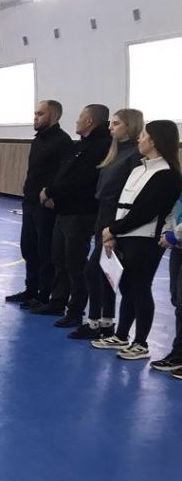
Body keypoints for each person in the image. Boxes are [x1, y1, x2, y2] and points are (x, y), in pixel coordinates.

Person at [92, 121, 182, 360]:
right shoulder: (138, 169)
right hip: (124, 236)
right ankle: (121, 335)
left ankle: (141, 343)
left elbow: (145, 211)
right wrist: (113, 233)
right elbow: (122, 205)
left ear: (154, 140)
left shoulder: (167, 175)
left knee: (140, 288)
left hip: (145, 239)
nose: (139, 140)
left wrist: (114, 230)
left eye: (143, 135)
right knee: (126, 287)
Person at [33, 104, 113, 325]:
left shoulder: (100, 146)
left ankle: (76, 309)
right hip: (64, 209)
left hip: (81, 212)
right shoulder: (81, 145)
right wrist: (52, 193)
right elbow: (63, 173)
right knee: (59, 258)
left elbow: (80, 179)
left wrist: (51, 192)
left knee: (75, 262)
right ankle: (58, 301)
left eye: (80, 117)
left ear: (89, 121)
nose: (76, 121)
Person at [69, 109, 143, 340]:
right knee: (103, 272)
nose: (111, 127)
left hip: (114, 218)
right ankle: (105, 321)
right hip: (103, 215)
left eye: (117, 124)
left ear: (130, 126)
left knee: (93, 271)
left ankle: (95, 322)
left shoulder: (133, 155)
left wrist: (114, 228)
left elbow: (128, 194)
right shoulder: (115, 152)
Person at [6, 100, 74, 306]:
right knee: (29, 248)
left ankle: (44, 294)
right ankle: (31, 289)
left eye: (40, 114)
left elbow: (64, 174)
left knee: (45, 251)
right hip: (30, 201)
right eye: (35, 113)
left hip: (46, 204)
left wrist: (53, 195)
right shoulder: (38, 140)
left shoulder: (63, 142)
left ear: (54, 116)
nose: (35, 117)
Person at [152, 196, 182, 376]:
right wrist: (167, 231)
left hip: (178, 239)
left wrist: (174, 235)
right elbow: (173, 212)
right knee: (177, 300)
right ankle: (178, 353)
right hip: (178, 248)